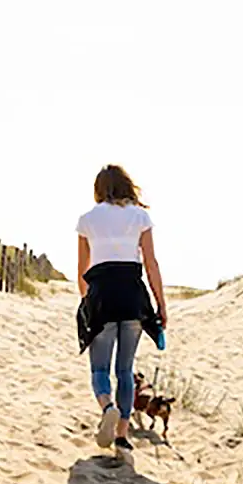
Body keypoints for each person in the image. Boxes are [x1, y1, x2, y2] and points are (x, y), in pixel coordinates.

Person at [75, 164, 167, 461]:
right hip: (132, 297)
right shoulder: (140, 216)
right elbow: (151, 264)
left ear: (99, 189)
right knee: (125, 370)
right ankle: (123, 436)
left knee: (99, 369)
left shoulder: (87, 220)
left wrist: (88, 304)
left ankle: (107, 407)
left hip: (102, 295)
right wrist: (160, 304)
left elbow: (82, 271)